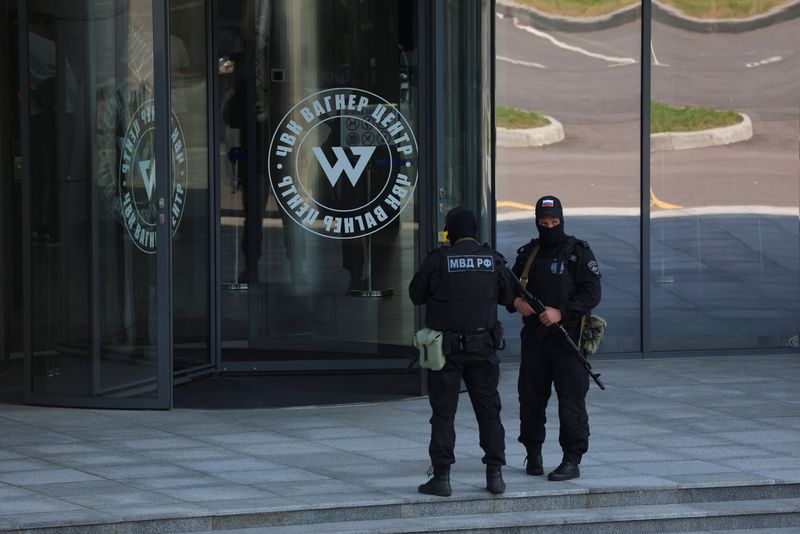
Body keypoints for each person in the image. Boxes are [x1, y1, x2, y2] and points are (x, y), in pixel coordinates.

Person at [409, 207, 516, 496]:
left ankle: (441, 478)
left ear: (451, 232)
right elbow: (509, 297)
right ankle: (495, 475)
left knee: (443, 413)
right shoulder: (492, 260)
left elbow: (415, 295)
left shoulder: (438, 260)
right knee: (489, 413)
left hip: (446, 351)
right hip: (483, 349)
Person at [509, 195, 601, 481]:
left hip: (567, 340)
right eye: (544, 223)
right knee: (531, 399)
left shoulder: (578, 253)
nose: (549, 227)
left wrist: (561, 312)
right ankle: (533, 453)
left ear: (562, 220)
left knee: (571, 401)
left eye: (554, 222)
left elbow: (592, 294)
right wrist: (515, 302)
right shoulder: (529, 254)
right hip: (536, 341)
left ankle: (571, 459)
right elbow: (507, 286)